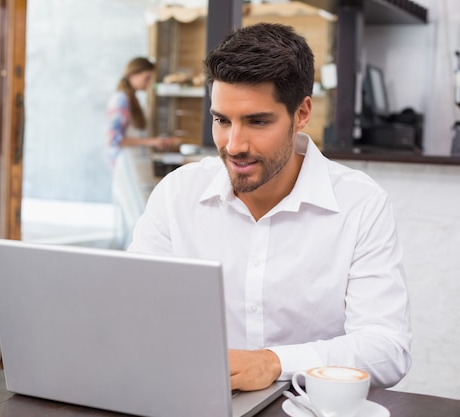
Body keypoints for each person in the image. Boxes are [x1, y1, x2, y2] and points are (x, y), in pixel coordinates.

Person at [127, 23, 412, 392]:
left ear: (302, 113)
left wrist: (274, 363)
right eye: (221, 120)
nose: (233, 145)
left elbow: (388, 349)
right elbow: (134, 316)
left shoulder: (360, 204)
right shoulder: (177, 194)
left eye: (257, 121)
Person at [107, 57, 180, 248]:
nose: (148, 84)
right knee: (136, 217)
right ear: (133, 75)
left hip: (138, 164)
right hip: (127, 165)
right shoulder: (121, 100)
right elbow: (114, 139)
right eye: (146, 78)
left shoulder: (134, 100)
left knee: (144, 215)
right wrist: (152, 142)